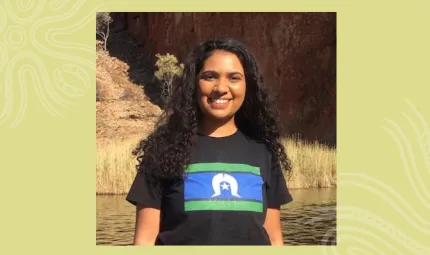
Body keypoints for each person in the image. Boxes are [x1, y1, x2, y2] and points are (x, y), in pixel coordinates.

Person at [126, 37, 293, 246]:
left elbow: (274, 238)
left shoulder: (264, 152)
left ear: (247, 86)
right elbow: (144, 241)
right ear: (194, 85)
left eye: (234, 78)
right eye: (210, 76)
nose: (221, 88)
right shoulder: (163, 150)